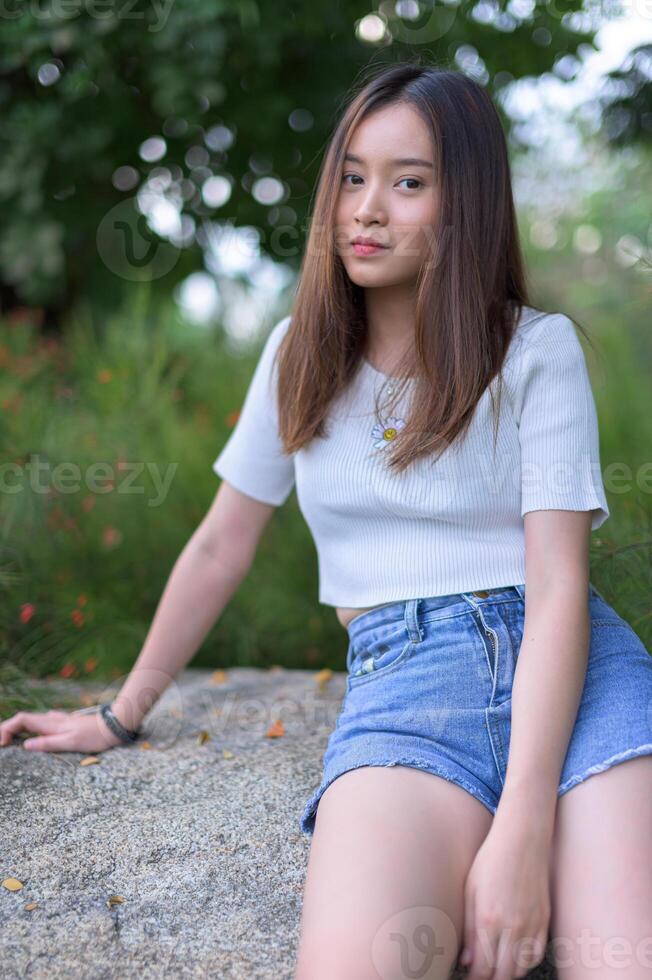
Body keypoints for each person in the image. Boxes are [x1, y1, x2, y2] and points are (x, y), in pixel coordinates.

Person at [2, 59, 651, 980]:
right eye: (352, 176)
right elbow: (225, 540)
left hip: (579, 680)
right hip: (406, 681)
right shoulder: (298, 352)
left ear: (465, 202)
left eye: (409, 182)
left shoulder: (534, 352)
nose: (367, 209)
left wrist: (523, 828)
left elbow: (557, 587)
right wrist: (121, 710)